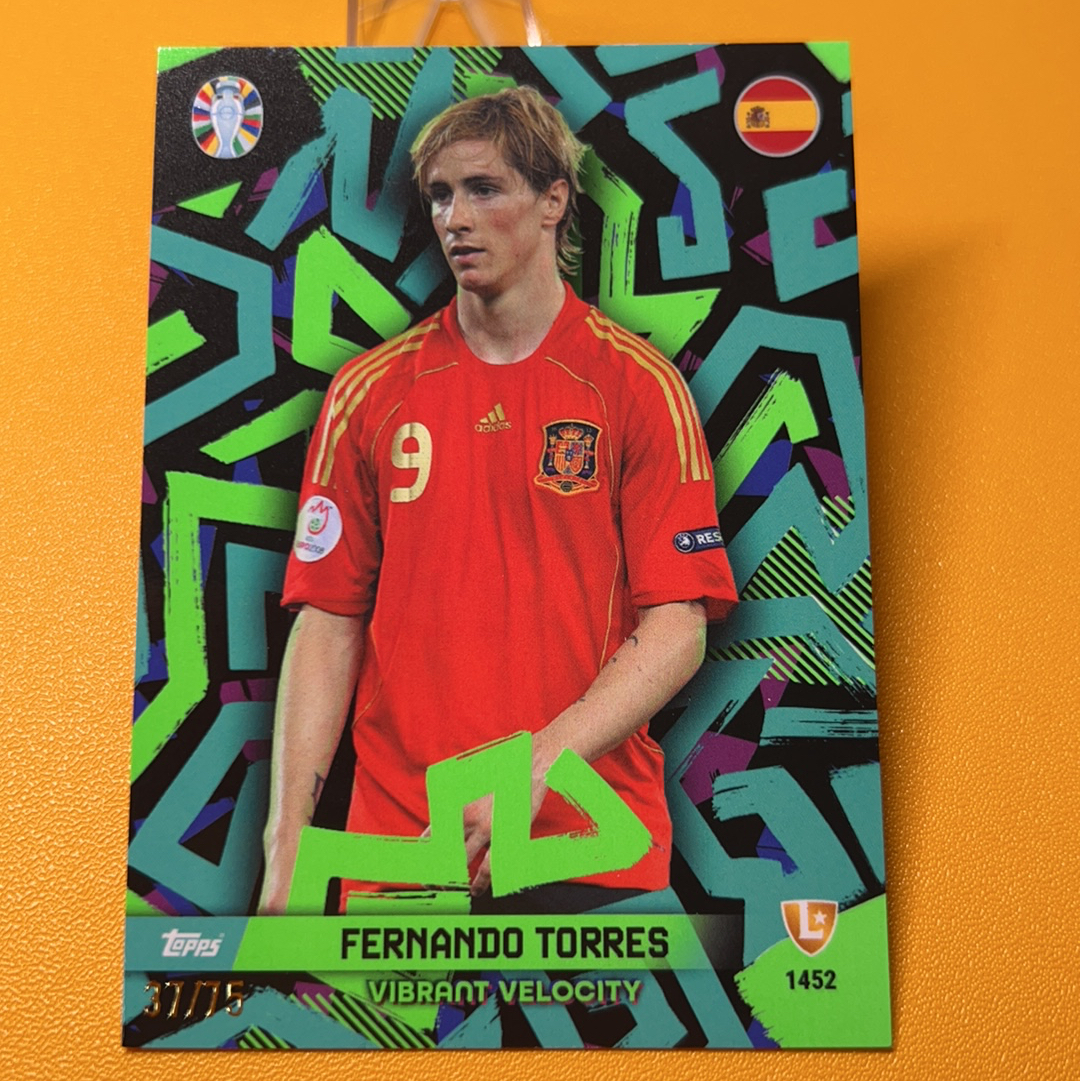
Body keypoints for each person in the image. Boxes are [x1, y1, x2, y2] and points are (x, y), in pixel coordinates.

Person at [258, 86, 737, 915]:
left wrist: (535, 767)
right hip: (403, 851)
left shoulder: (637, 386)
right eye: (441, 195)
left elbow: (678, 626)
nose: (455, 218)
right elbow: (328, 621)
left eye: (483, 189)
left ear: (554, 200)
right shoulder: (367, 392)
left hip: (588, 845)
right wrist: (288, 842)